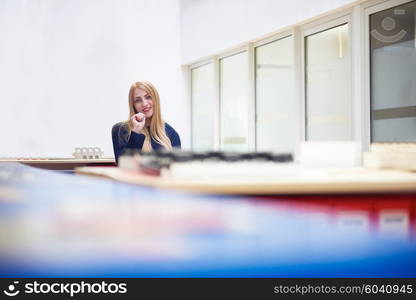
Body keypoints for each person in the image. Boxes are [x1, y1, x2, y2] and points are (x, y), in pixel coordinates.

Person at [112, 81, 181, 163]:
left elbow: (176, 169)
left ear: (155, 99)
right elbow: (123, 165)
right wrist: (136, 132)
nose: (144, 103)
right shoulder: (121, 130)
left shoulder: (171, 133)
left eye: (148, 97)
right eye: (138, 100)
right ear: (133, 105)